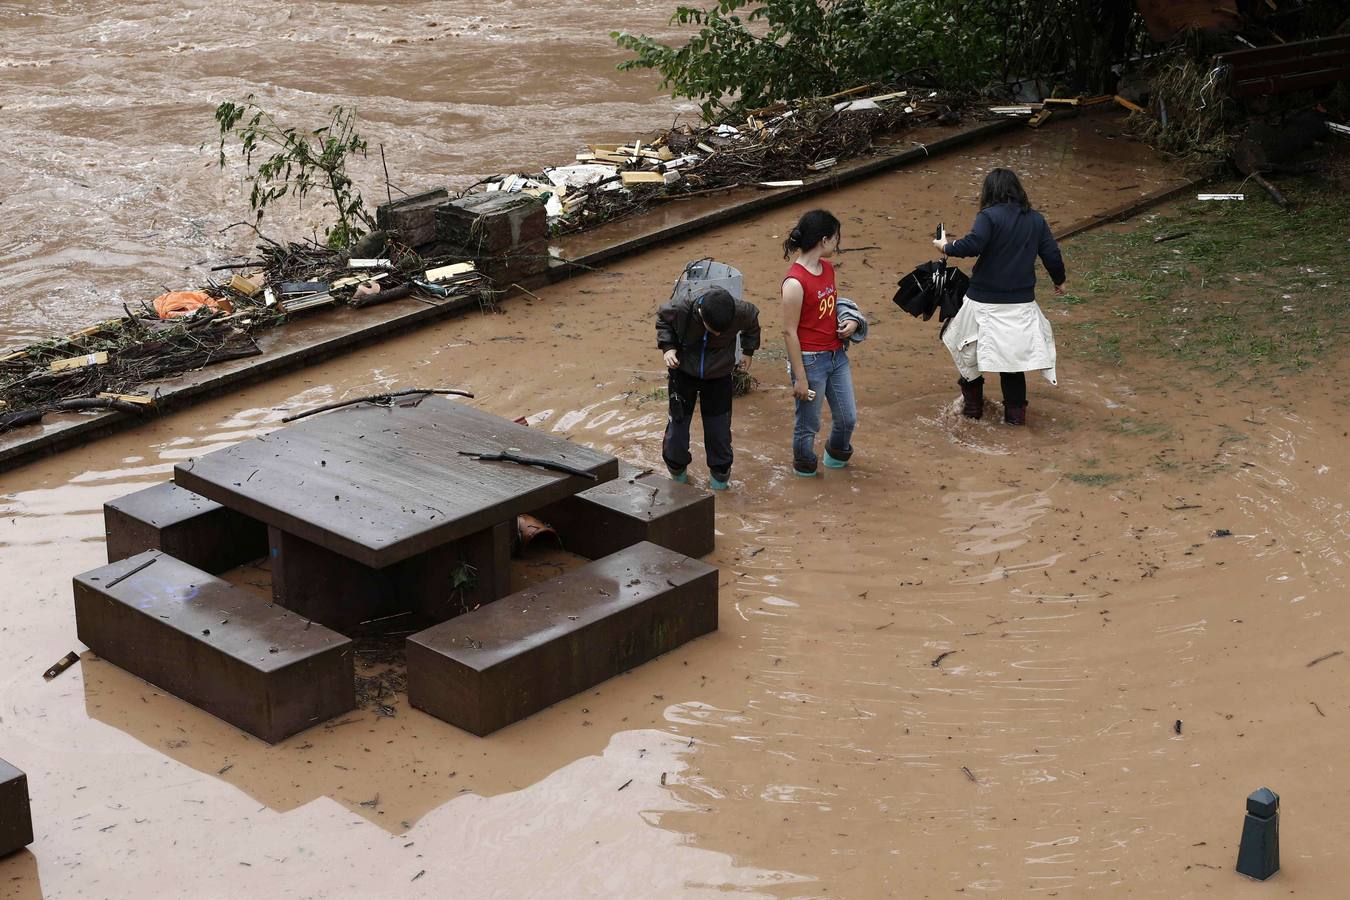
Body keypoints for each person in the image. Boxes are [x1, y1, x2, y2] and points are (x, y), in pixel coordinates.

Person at [934, 168, 1067, 426]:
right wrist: (1059, 280)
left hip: (982, 300)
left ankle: (972, 412)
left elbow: (973, 245)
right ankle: (1015, 422)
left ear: (989, 192)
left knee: (965, 351)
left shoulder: (988, 216)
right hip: (1021, 304)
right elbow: (1051, 254)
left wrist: (945, 247)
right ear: (1017, 190)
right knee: (1012, 364)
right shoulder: (1036, 220)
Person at [656, 285, 760, 490]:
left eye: (724, 329)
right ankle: (678, 481)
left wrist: (748, 351)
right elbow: (663, 320)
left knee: (719, 432)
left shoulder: (741, 311)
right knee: (676, 431)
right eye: (714, 330)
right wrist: (668, 348)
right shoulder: (681, 307)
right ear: (701, 315)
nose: (719, 333)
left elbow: (753, 324)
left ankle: (720, 483)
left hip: (719, 375)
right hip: (683, 371)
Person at [781, 209, 859, 476]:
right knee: (808, 425)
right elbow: (789, 332)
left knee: (848, 418)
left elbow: (831, 306)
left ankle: (835, 459)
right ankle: (805, 472)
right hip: (810, 361)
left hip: (836, 356)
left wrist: (850, 322)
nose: (838, 243)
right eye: (836, 237)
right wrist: (799, 378)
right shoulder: (794, 283)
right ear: (824, 240)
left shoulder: (827, 268)